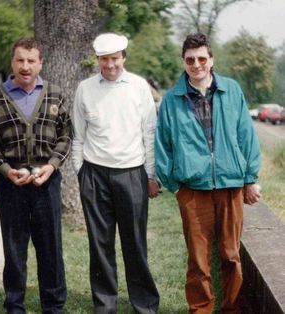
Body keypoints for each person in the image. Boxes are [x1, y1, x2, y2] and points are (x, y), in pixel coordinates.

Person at [155, 33, 261, 314]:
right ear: (183, 62)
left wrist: (250, 178)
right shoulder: (172, 99)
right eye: (190, 60)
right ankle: (200, 309)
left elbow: (246, 136)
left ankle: (231, 309)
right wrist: (175, 186)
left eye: (202, 58)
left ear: (211, 60)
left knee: (231, 255)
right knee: (198, 260)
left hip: (230, 184)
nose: (197, 64)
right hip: (192, 189)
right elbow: (162, 144)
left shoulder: (232, 91)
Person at [0, 37, 71, 314]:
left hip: (47, 181)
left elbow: (66, 136)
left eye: (31, 60)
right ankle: (15, 304)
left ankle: (53, 306)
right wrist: (6, 170)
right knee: (14, 245)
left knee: (50, 247)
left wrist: (51, 166)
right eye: (20, 60)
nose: (26, 66)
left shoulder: (55, 94)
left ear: (41, 62)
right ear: (12, 62)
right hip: (11, 183)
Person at [72, 33, 160, 314]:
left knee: (134, 242)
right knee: (100, 243)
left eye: (114, 58)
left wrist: (151, 175)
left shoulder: (138, 87)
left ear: (123, 57)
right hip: (95, 174)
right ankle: (105, 304)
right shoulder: (85, 88)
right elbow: (78, 135)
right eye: (104, 59)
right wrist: (80, 172)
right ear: (98, 60)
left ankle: (144, 304)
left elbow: (149, 133)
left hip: (132, 173)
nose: (109, 64)